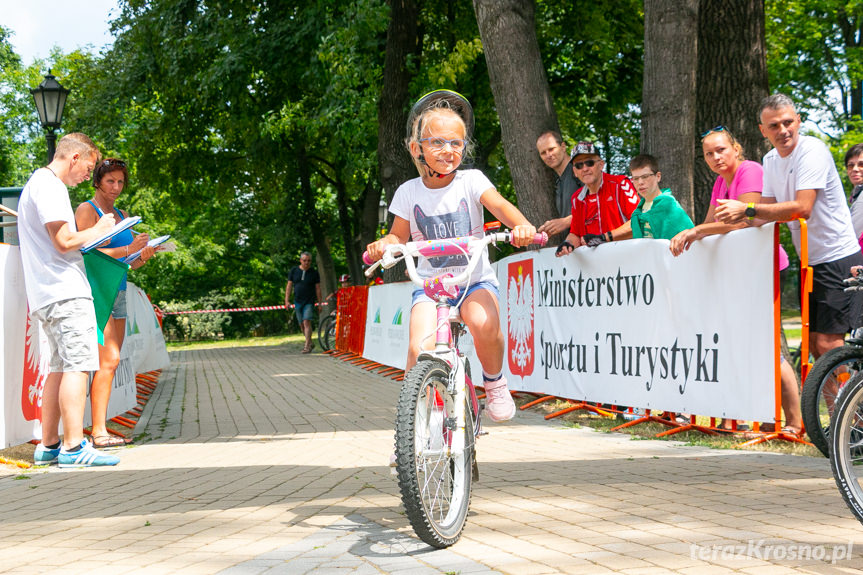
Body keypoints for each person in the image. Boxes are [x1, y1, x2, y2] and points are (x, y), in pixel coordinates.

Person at [365, 90, 537, 422]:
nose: (449, 150)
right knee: (418, 348)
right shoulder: (408, 192)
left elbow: (500, 206)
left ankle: (494, 382)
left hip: (472, 280)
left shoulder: (471, 181)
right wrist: (383, 244)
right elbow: (397, 237)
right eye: (438, 142)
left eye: (456, 143)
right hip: (430, 286)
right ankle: (413, 424)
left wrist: (522, 227)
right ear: (417, 149)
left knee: (483, 323)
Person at [672, 126, 802, 434]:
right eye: (709, 153)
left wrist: (697, 232)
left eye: (721, 150)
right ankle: (769, 420)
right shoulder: (720, 182)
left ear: (735, 149)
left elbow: (743, 221)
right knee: (750, 345)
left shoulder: (750, 171)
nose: (716, 157)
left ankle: (795, 423)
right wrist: (696, 232)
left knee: (769, 346)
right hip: (739, 272)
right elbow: (709, 223)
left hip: (765, 268)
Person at [716, 94, 863, 366]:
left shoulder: (812, 150)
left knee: (828, 345)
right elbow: (767, 212)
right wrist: (709, 232)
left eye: (787, 122)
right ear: (762, 130)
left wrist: (746, 209)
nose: (782, 130)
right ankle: (839, 410)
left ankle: (850, 407)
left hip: (838, 258)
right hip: (809, 262)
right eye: (773, 126)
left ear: (799, 120)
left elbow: (801, 208)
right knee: (814, 348)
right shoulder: (770, 160)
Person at [18, 133, 120, 467]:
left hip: (48, 293)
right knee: (78, 366)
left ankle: (48, 446)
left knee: (60, 368)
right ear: (74, 157)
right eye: (88, 167)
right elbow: (64, 240)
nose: (86, 177)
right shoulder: (50, 186)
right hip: (64, 291)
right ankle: (74, 447)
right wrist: (100, 229)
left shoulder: (38, 184)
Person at [74, 158, 156, 448]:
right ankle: (96, 432)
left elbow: (129, 264)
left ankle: (100, 428)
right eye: (111, 181)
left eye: (121, 182)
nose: (116, 187)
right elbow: (84, 254)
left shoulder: (122, 214)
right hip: (98, 291)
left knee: (111, 361)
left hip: (118, 289)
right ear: (97, 181)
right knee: (104, 360)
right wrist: (127, 248)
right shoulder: (87, 210)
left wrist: (141, 255)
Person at [580, 154, 693, 245]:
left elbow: (689, 236)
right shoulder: (638, 211)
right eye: (635, 178)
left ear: (658, 176)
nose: (640, 182)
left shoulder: (668, 204)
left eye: (645, 177)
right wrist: (603, 238)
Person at [554, 141, 640, 256]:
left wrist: (605, 237)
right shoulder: (576, 199)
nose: (584, 169)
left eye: (589, 163)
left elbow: (639, 221)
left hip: (628, 259)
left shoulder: (621, 184)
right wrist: (567, 243)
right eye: (579, 165)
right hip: (597, 268)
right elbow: (575, 233)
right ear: (574, 172)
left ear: (601, 164)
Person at [535, 131, 582, 237]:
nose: (548, 155)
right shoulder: (559, 182)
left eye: (551, 149)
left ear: (563, 147)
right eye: (543, 153)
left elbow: (601, 205)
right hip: (572, 247)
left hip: (595, 245)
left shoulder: (581, 169)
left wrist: (566, 222)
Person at [286, 251, 322, 353]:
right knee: (301, 324)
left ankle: (306, 346)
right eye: (304, 260)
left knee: (307, 322)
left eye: (309, 261)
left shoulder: (314, 273)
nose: (306, 263)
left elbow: (318, 288)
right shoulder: (294, 271)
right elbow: (289, 286)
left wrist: (319, 303)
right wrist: (286, 300)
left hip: (309, 301)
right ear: (300, 260)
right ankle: (310, 342)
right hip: (298, 301)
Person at [844, 143, 863, 248]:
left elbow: (851, 237)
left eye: (861, 164)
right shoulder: (857, 196)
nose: (855, 169)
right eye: (851, 165)